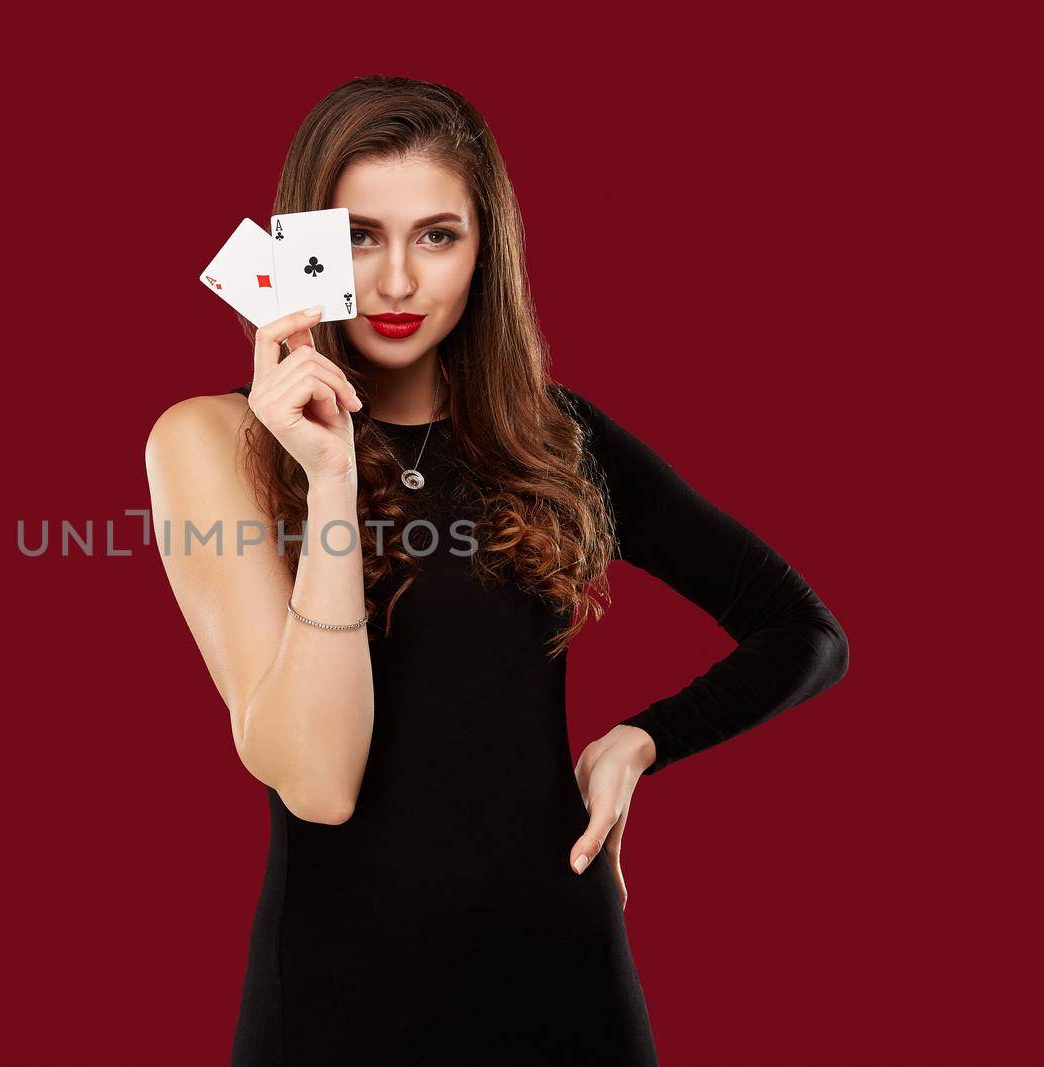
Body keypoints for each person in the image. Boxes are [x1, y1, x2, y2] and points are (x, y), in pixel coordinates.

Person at [144, 75, 849, 1066]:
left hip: (568, 987)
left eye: (437, 235)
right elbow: (318, 780)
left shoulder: (553, 435)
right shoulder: (211, 441)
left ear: (486, 252)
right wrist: (332, 472)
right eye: (359, 235)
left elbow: (804, 631)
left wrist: (640, 740)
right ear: (303, 245)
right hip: (340, 1010)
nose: (396, 281)